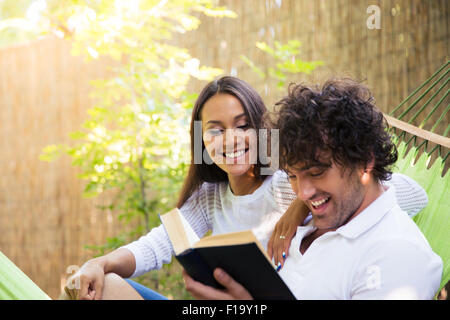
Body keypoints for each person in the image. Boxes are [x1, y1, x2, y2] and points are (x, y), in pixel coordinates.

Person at [63, 76, 428, 300]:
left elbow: (409, 193)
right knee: (100, 286)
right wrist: (99, 262)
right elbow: (158, 245)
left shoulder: (289, 185)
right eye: (215, 129)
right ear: (200, 140)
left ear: (263, 132)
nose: (231, 139)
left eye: (242, 125)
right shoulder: (208, 199)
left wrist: (298, 207)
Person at [182, 78, 443, 300]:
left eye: (316, 172)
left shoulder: (397, 256)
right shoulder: (313, 222)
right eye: (293, 176)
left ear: (364, 160)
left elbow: (414, 193)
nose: (302, 194)